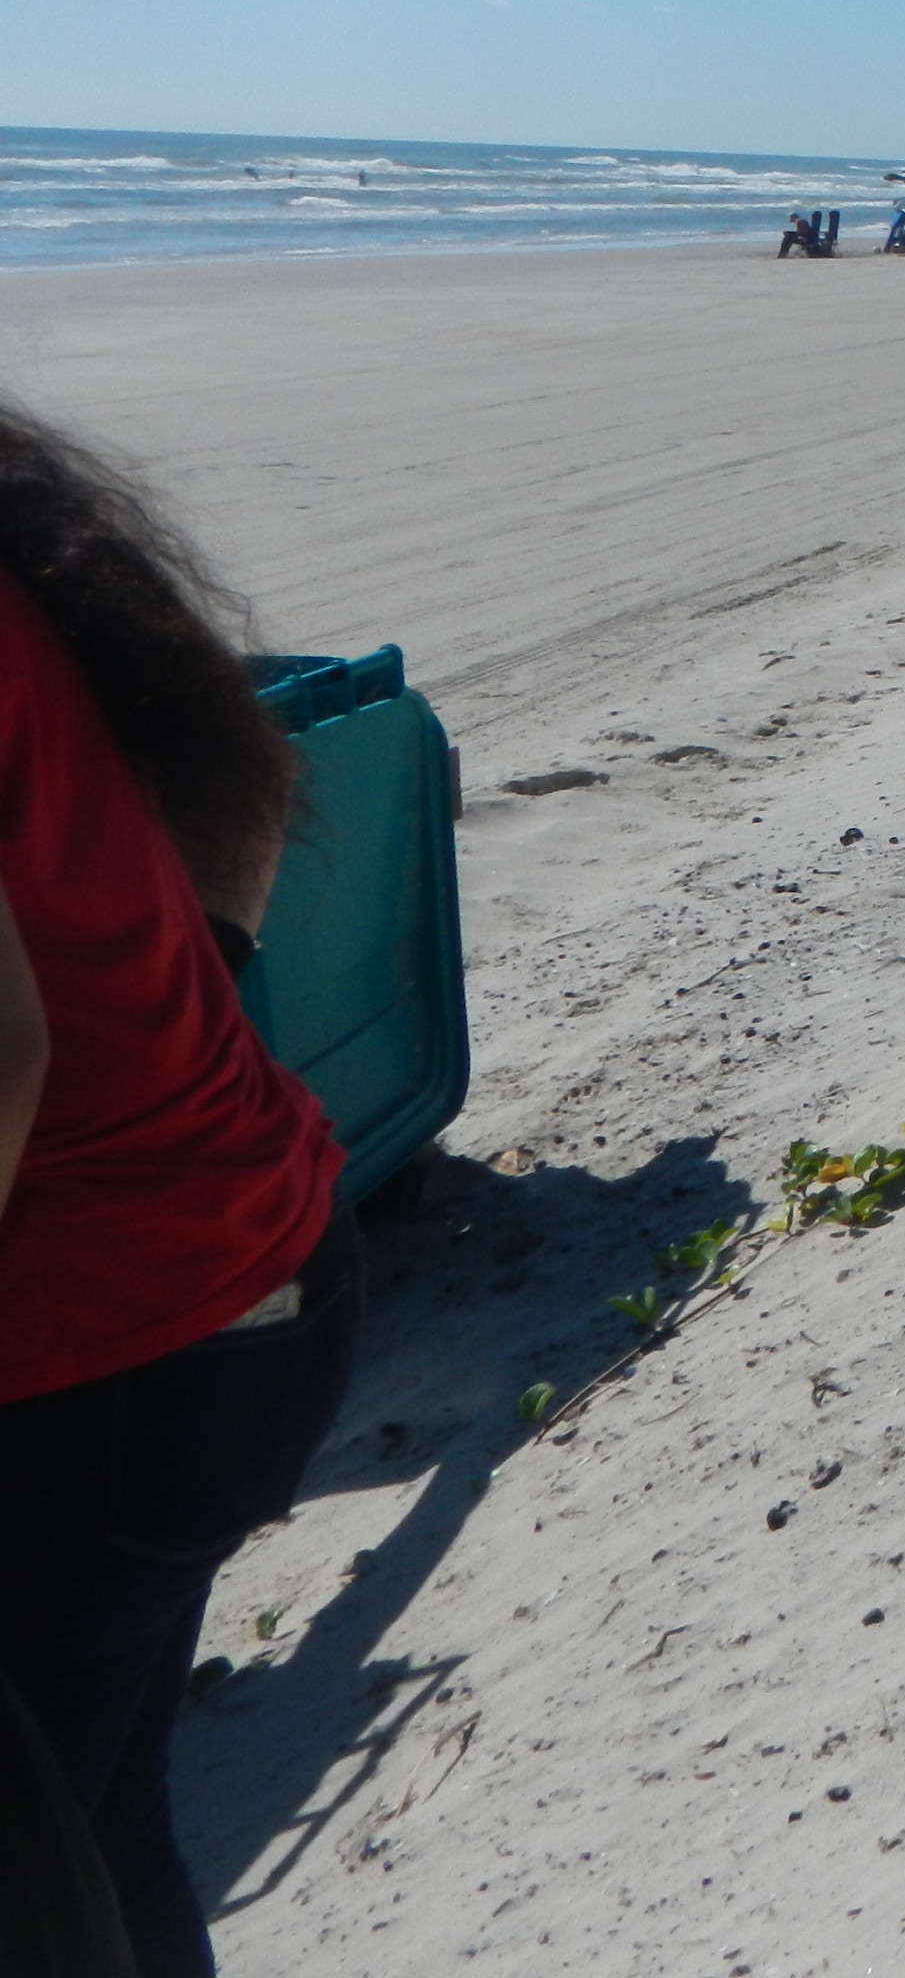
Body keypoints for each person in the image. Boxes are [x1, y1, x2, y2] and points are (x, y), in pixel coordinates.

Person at [0, 403, 358, 1978]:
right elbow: (244, 793)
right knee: (91, 1844)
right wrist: (176, 1019)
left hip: (95, 1353)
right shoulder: (31, 550)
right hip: (240, 1282)